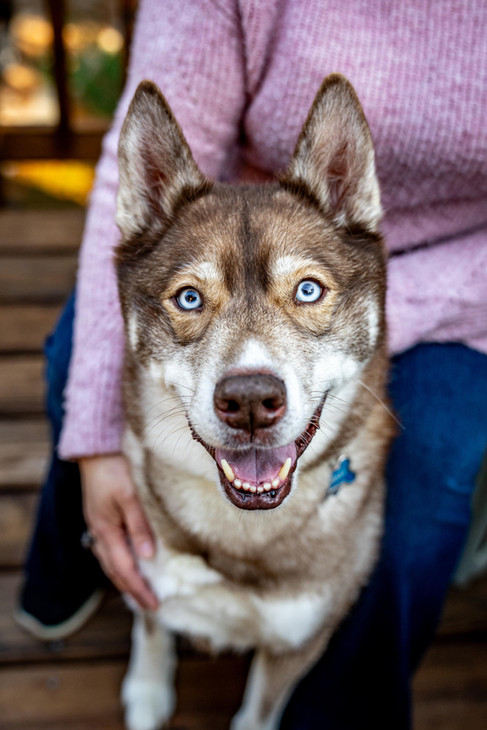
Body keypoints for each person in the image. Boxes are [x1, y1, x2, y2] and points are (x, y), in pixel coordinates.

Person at [16, 1, 487, 727]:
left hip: (458, 276)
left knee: (424, 498)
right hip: (224, 224)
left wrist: (382, 300)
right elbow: (138, 178)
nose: (249, 386)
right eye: (185, 301)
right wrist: (95, 440)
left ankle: (294, 714)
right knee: (73, 370)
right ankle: (107, 596)